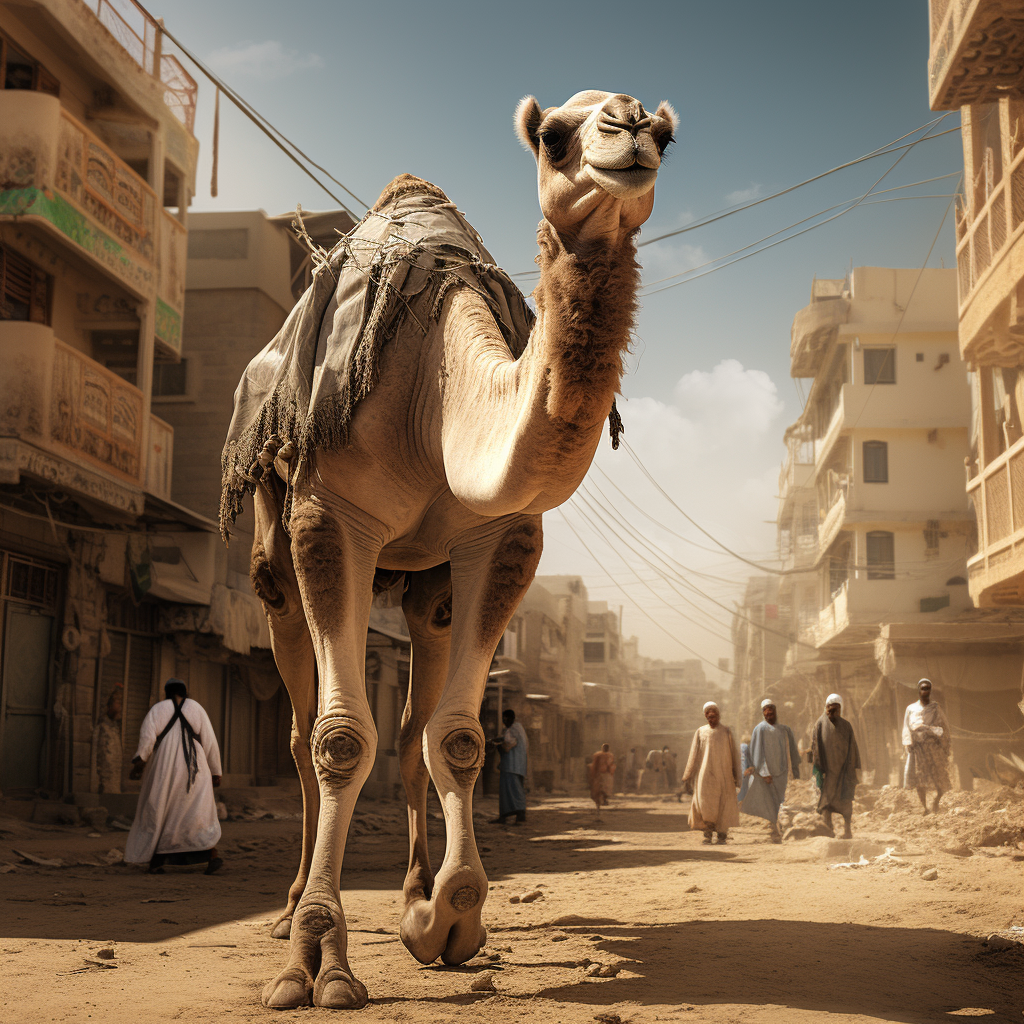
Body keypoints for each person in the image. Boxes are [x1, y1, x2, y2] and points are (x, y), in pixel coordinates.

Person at [125, 679, 224, 874]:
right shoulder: (196, 707)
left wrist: (139, 762)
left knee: (162, 809)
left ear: (166, 693)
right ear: (185, 693)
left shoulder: (158, 708)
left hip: (165, 766)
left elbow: (147, 739)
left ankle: (156, 860)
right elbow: (210, 741)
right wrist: (215, 771)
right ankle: (211, 855)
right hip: (196, 767)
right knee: (198, 812)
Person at [740, 698, 801, 843]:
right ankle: (774, 831)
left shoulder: (784, 729)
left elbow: (792, 751)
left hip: (782, 774)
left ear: (775, 711)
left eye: (771, 710)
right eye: (766, 711)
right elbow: (757, 753)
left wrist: (794, 770)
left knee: (783, 802)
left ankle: (783, 831)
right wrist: (764, 773)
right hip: (768, 775)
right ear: (763, 713)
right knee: (770, 803)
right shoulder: (759, 729)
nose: (769, 713)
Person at [682, 701, 742, 844]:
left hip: (724, 774)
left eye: (714, 717)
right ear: (705, 716)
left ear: (719, 716)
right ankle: (707, 833)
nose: (712, 720)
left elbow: (734, 754)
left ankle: (722, 833)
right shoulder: (700, 732)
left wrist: (736, 775)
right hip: (705, 774)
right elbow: (693, 755)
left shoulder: (726, 731)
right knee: (705, 803)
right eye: (709, 717)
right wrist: (687, 776)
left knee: (723, 803)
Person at [811, 693, 861, 839]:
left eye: (835, 710)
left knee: (845, 800)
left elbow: (852, 748)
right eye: (829, 709)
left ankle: (847, 831)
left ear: (840, 709)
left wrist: (852, 769)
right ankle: (828, 829)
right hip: (828, 772)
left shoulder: (846, 725)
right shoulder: (820, 724)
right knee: (826, 801)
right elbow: (816, 747)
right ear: (825, 708)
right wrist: (820, 769)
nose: (831, 713)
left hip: (844, 772)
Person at [902, 678, 951, 814]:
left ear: (930, 690)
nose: (925, 691)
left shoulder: (935, 708)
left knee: (939, 778)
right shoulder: (911, 708)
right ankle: (924, 807)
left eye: (927, 688)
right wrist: (908, 744)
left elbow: (944, 727)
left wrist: (943, 744)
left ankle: (936, 801)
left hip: (933, 747)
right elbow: (906, 727)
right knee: (919, 780)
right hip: (918, 749)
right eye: (923, 688)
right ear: (919, 690)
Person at [490, 708, 528, 825]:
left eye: (506, 719)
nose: (504, 721)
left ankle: (520, 816)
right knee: (506, 792)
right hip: (514, 766)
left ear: (511, 718)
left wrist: (496, 744)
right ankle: (503, 816)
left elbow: (507, 745)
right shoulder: (517, 729)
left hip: (512, 766)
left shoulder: (514, 729)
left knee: (514, 791)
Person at [588, 743, 616, 814]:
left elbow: (612, 764)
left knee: (606, 788)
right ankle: (599, 801)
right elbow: (595, 764)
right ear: (602, 748)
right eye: (604, 747)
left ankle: (604, 799)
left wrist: (611, 771)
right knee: (599, 788)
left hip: (607, 774)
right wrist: (593, 773)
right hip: (599, 773)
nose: (605, 749)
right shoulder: (598, 755)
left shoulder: (610, 755)